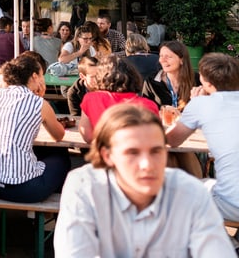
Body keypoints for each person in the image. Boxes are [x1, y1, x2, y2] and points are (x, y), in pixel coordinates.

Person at [54, 103, 234, 257]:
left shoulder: (189, 191)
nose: (147, 164)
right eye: (132, 152)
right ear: (107, 156)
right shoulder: (85, 188)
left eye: (156, 151)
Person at [0, 53, 70, 203]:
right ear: (34, 76)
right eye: (42, 75)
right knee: (62, 157)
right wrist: (41, 98)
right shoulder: (39, 104)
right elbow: (59, 135)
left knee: (38, 154)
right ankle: (50, 214)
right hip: (23, 188)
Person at [167, 52, 239, 222]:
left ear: (205, 81)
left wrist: (195, 103)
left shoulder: (201, 104)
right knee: (206, 183)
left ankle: (218, 243)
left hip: (231, 203)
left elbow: (171, 141)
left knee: (175, 193)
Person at [78, 54, 158, 142]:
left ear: (101, 77)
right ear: (134, 76)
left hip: (105, 152)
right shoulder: (148, 105)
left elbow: (87, 136)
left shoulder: (90, 99)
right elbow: (155, 138)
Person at [141, 40, 195, 110]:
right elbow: (145, 111)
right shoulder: (151, 82)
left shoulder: (197, 80)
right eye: (161, 56)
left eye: (168, 57)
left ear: (182, 60)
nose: (162, 60)